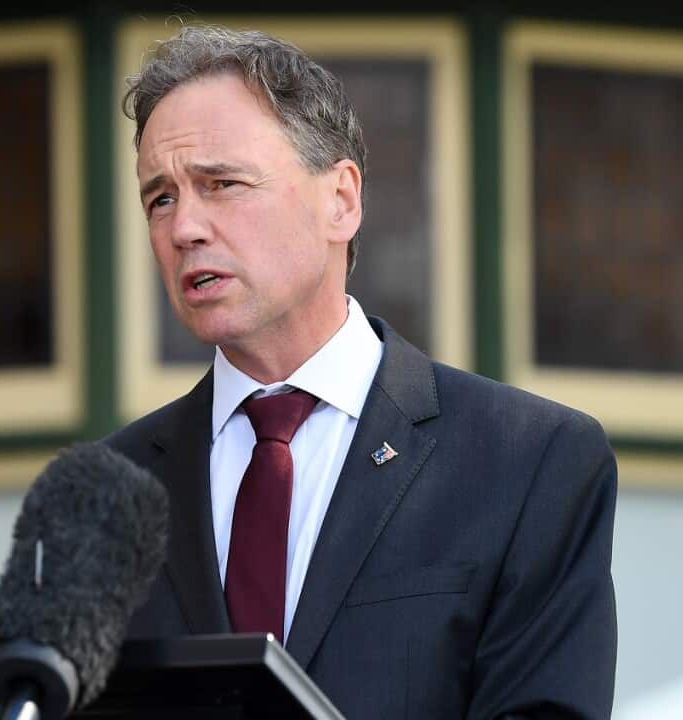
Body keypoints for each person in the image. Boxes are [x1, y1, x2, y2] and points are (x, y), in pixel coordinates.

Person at [104, 25, 617, 719]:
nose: (183, 228)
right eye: (160, 198)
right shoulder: (105, 493)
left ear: (341, 200)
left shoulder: (529, 461)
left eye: (221, 184)